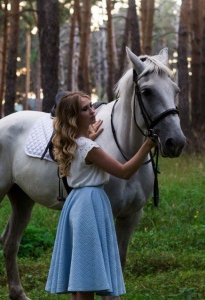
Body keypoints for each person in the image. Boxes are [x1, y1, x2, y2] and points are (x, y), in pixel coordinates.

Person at [45, 91, 157, 300]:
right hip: (90, 205)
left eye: (91, 106)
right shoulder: (89, 146)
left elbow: (84, 150)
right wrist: (146, 146)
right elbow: (124, 171)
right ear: (74, 117)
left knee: (79, 278)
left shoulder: (71, 143)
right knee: (88, 276)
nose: (93, 110)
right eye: (85, 108)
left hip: (76, 203)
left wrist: (89, 138)